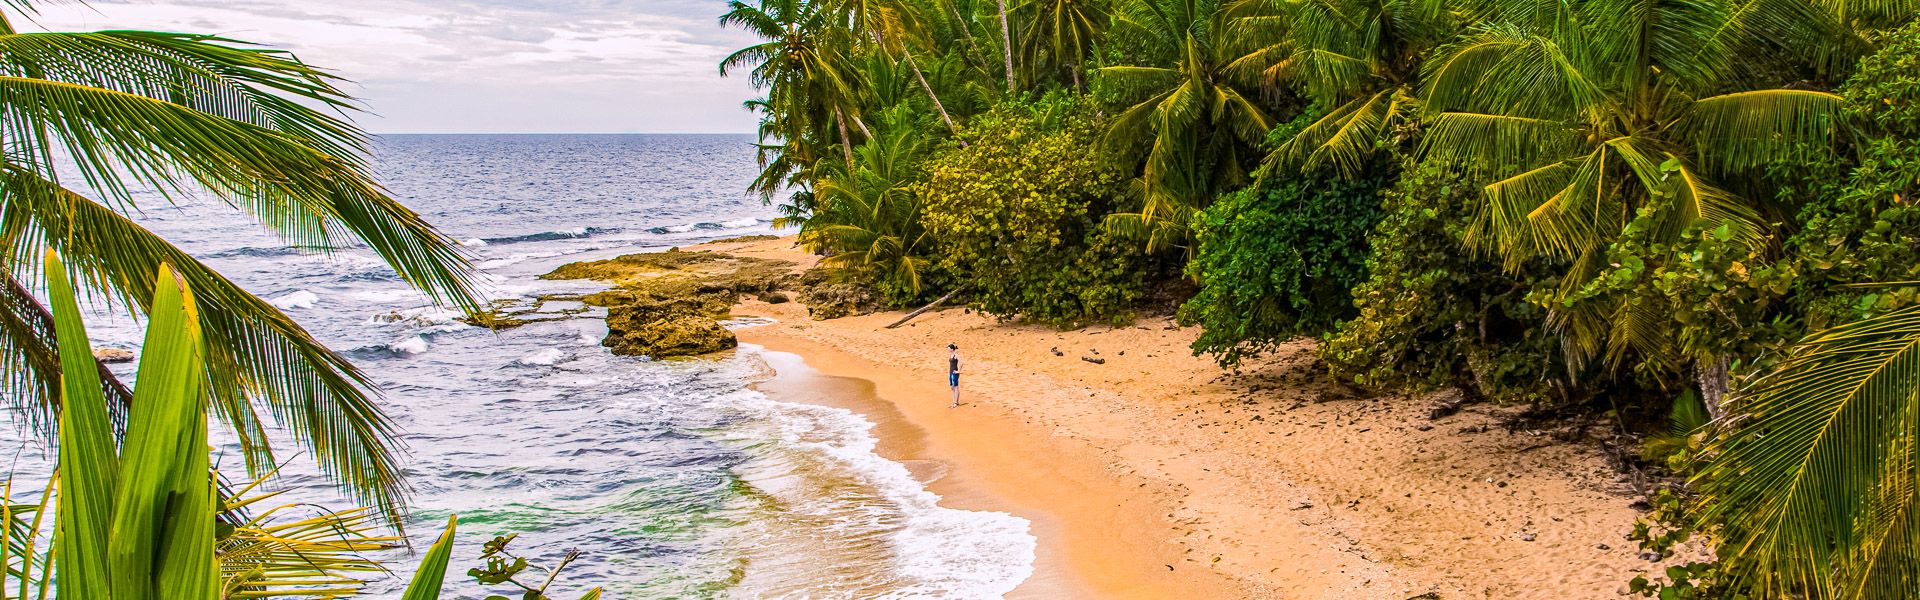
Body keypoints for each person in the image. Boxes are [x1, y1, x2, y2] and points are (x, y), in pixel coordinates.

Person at [947, 343, 961, 408]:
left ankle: (956, 402)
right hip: (950, 373)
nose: (948, 349)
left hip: (955, 373)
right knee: (952, 387)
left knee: (956, 387)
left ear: (952, 349)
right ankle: (954, 402)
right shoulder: (950, 355)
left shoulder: (956, 355)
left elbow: (961, 362)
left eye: (949, 348)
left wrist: (958, 371)